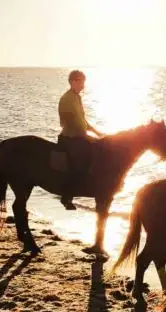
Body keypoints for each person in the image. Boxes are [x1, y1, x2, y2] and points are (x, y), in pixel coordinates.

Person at [57, 70, 103, 210]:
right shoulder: (67, 99)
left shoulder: (77, 98)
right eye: (81, 82)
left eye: (84, 82)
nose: (83, 86)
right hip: (70, 138)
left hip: (79, 136)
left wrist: (98, 133)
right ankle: (66, 197)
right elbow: (74, 124)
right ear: (73, 82)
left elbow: (83, 121)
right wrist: (87, 137)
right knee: (80, 160)